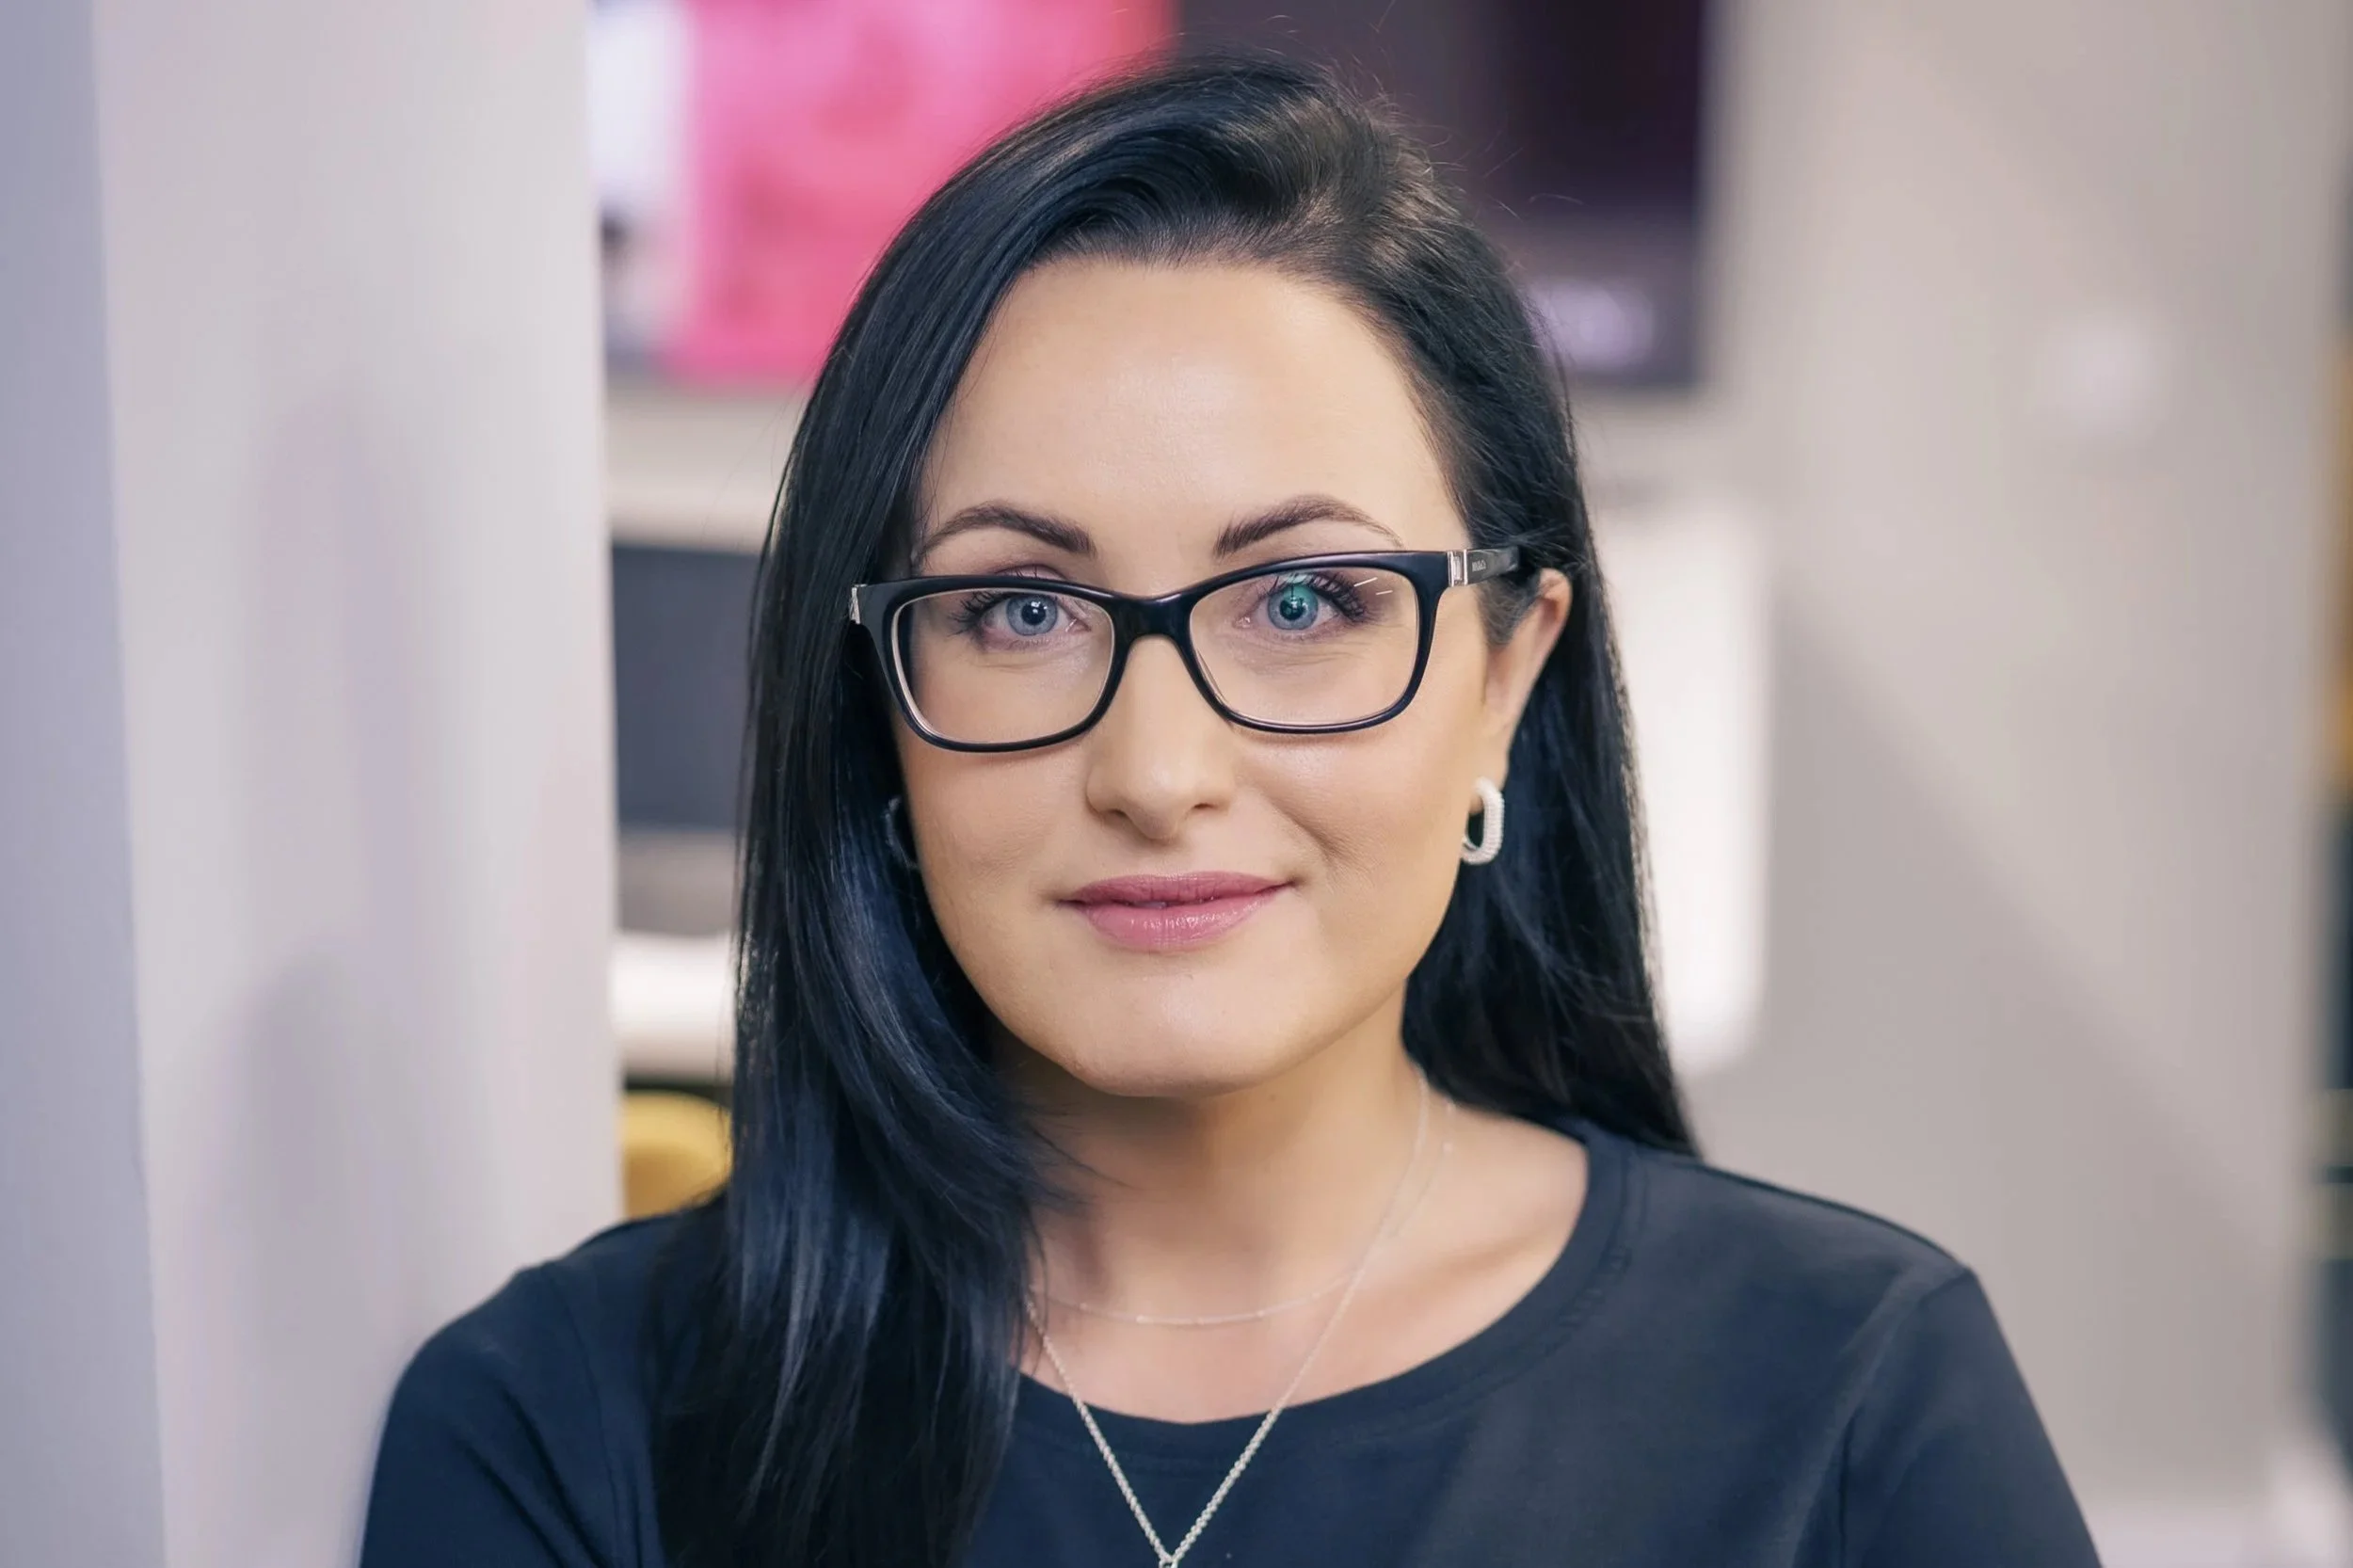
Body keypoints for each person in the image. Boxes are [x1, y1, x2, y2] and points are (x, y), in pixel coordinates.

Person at [360, 55, 2099, 1568]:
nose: (1158, 770)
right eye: (1020, 612)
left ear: (1505, 677)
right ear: (879, 703)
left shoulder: (1852, 1393)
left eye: (1305, 602)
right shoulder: (562, 1424)